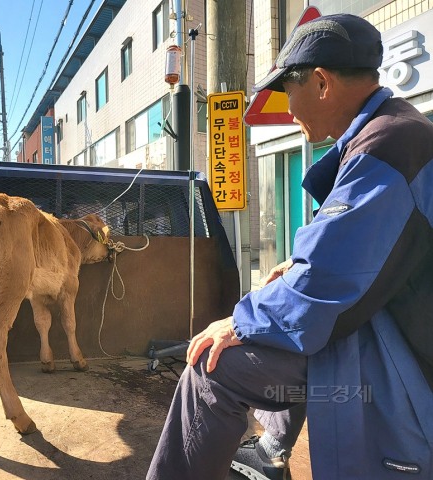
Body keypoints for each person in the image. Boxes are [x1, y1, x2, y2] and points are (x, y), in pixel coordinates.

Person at [147, 13, 433, 480]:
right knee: (281, 307)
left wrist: (237, 322)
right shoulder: (395, 129)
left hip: (403, 357)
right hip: (386, 320)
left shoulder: (386, 145)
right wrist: (294, 271)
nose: (286, 108)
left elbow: (323, 285)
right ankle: (272, 449)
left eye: (287, 91)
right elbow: (346, 256)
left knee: (209, 366)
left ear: (320, 83)